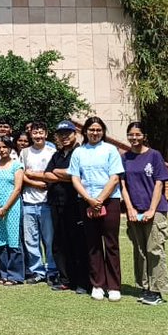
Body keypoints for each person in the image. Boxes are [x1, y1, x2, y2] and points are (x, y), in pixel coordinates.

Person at [68, 116, 125, 302]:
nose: (94, 133)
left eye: (98, 130)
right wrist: (89, 199)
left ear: (103, 131)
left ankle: (114, 286)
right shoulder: (79, 152)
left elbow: (115, 177)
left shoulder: (110, 150)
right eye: (91, 130)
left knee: (111, 244)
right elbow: (75, 178)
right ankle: (98, 284)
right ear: (85, 131)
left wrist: (99, 199)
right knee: (93, 244)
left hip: (110, 201)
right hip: (86, 200)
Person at [120, 121, 168, 306]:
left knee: (154, 250)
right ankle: (144, 287)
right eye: (131, 134)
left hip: (155, 210)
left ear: (144, 136)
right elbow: (123, 185)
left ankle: (156, 290)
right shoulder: (125, 158)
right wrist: (130, 209)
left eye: (138, 135)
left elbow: (159, 183)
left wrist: (151, 209)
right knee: (139, 251)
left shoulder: (154, 156)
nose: (134, 138)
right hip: (135, 212)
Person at [44, 120, 88, 293]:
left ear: (75, 134)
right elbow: (47, 174)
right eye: (61, 134)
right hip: (56, 203)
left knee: (78, 242)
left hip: (74, 204)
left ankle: (82, 282)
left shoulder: (81, 152)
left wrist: (62, 173)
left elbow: (76, 175)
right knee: (60, 243)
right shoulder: (57, 155)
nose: (64, 137)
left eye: (67, 134)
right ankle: (65, 279)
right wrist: (66, 175)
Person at [20, 122, 58, 284]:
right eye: (35, 133)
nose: (38, 136)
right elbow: (21, 174)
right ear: (31, 135)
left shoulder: (52, 152)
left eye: (41, 132)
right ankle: (37, 271)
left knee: (49, 239)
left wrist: (34, 174)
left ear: (46, 134)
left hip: (47, 202)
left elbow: (53, 175)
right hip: (28, 202)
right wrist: (37, 182)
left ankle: (52, 270)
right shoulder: (25, 152)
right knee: (31, 240)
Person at [0, 137, 25, 286]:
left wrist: (6, 207)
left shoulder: (17, 165)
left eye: (4, 147)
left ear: (10, 148)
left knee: (13, 240)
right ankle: (3, 273)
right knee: (0, 240)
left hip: (12, 207)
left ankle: (15, 275)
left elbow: (17, 188)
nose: (2, 150)